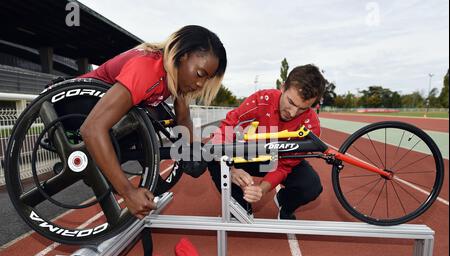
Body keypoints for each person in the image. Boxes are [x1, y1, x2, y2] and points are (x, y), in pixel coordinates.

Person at [79, 25, 227, 219]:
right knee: (149, 116)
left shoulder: (175, 78)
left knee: (155, 116)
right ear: (182, 54)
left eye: (206, 79)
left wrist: (194, 149)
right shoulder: (148, 68)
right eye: (200, 74)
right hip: (76, 108)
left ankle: (142, 178)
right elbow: (92, 129)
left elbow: (182, 119)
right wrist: (128, 192)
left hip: (108, 117)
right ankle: (110, 174)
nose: (200, 84)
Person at [207, 65, 325, 220]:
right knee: (213, 155)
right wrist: (231, 170)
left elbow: (284, 166)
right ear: (282, 87)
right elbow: (226, 129)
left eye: (303, 108)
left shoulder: (311, 125)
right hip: (249, 154)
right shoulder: (262, 99)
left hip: (279, 159)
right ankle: (238, 204)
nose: (293, 113)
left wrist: (261, 190)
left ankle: (285, 203)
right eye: (291, 102)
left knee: (311, 185)